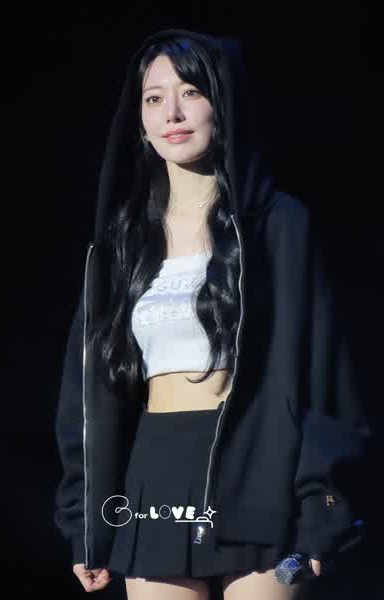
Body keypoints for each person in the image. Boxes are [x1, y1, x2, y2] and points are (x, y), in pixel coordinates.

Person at [53, 28, 371, 598]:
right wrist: (85, 524)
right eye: (154, 98)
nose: (172, 113)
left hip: (263, 478)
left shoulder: (278, 225)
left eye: (191, 92)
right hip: (153, 482)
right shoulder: (119, 245)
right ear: (140, 121)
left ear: (221, 103)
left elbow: (323, 375)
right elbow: (84, 394)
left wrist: (323, 508)